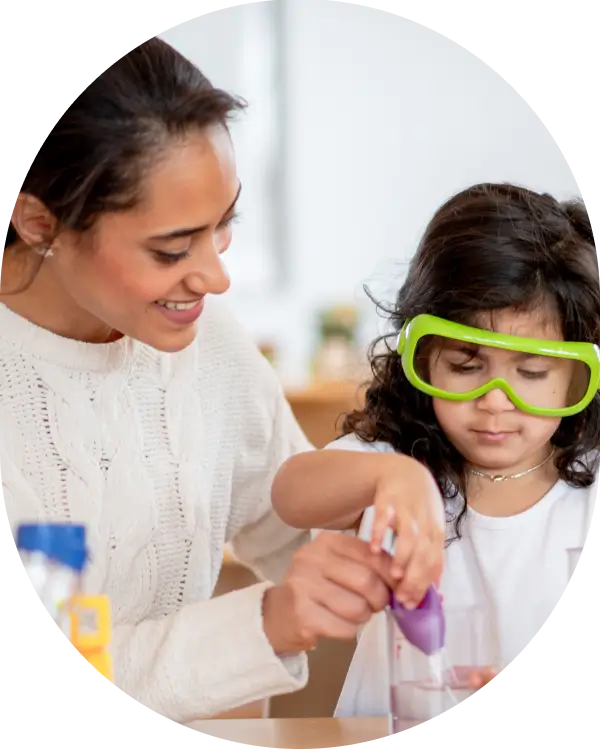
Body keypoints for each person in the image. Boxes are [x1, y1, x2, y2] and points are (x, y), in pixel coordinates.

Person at [0, 38, 445, 723]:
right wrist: (267, 624)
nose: (215, 276)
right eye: (172, 248)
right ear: (37, 223)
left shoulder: (208, 347)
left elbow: (292, 518)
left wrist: (393, 489)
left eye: (224, 224)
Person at [272, 182, 600, 718]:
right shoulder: (395, 462)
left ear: (577, 375)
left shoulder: (588, 490)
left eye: (533, 373)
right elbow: (291, 492)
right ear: (422, 361)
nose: (495, 402)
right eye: (466, 367)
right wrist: (394, 480)